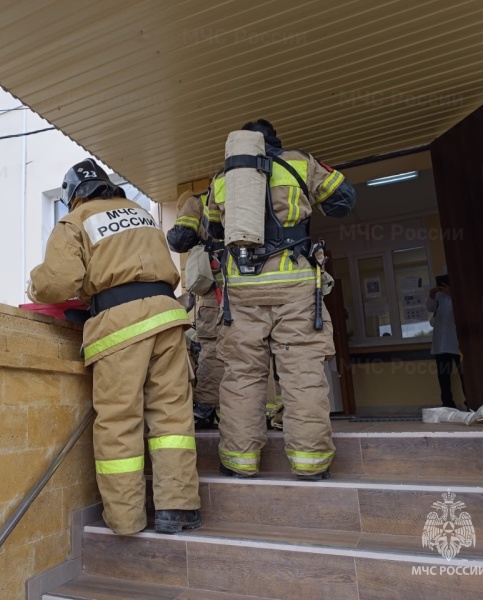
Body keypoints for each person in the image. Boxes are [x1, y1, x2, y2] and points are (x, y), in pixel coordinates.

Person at [27, 158, 201, 535]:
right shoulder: (139, 212)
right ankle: (178, 509)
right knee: (172, 419)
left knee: (120, 421)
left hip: (120, 326)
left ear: (73, 195)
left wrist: (33, 286)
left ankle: (126, 519)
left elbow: (57, 282)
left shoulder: (75, 221)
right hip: (168, 318)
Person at [210, 119, 356, 480]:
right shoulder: (299, 162)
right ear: (275, 141)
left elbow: (213, 231)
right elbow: (344, 202)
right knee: (301, 369)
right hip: (294, 281)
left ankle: (240, 462)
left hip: (242, 285)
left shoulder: (222, 178)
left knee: (242, 373)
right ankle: (310, 462)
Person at [166, 186, 225, 428]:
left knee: (210, 344)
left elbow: (180, 240)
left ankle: (206, 408)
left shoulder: (196, 202)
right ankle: (264, 408)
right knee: (252, 348)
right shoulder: (247, 196)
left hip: (216, 293)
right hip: (250, 289)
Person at [427, 270, 465, 409]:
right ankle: (448, 404)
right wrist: (432, 294)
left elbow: (467, 307)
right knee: (443, 376)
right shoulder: (439, 296)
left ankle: (471, 402)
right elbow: (429, 307)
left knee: (464, 374)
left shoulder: (463, 292)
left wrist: (452, 293)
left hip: (457, 342)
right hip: (441, 344)